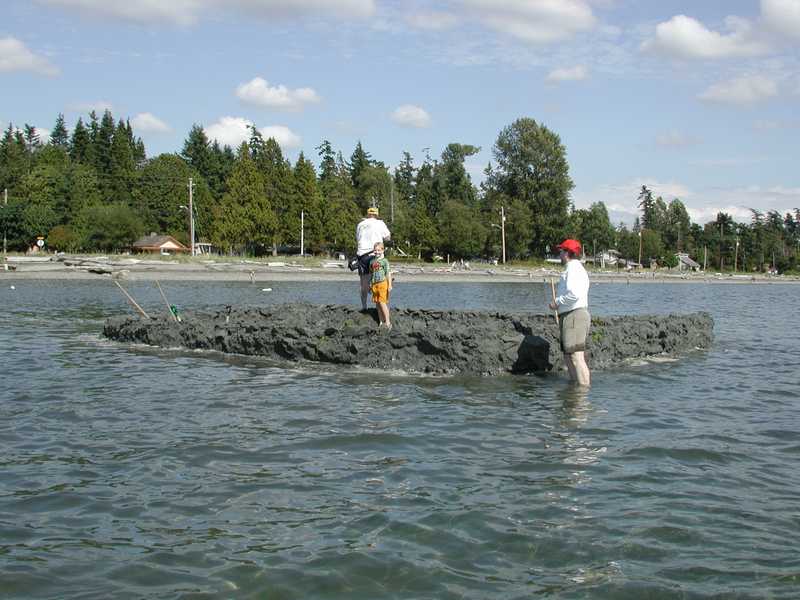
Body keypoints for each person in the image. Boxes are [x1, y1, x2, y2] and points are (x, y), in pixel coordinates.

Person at [548, 238, 591, 386]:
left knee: (576, 356)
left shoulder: (573, 269)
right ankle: (575, 390)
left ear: (567, 253)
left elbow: (574, 294)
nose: (559, 254)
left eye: (561, 251)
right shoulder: (574, 269)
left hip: (574, 315)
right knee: (568, 355)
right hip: (570, 315)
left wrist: (557, 302)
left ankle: (583, 393)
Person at [355, 207, 391, 310]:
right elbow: (388, 237)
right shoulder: (380, 223)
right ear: (377, 215)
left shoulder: (360, 224)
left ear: (368, 214)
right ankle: (380, 306)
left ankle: (364, 306)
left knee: (363, 284)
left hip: (362, 255)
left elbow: (358, 238)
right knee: (379, 280)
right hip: (375, 254)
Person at [369, 242, 392, 330]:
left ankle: (388, 322)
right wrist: (370, 285)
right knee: (378, 304)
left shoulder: (384, 261)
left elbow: (388, 274)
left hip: (382, 283)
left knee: (383, 303)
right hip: (374, 284)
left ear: (382, 250)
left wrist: (390, 285)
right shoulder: (372, 261)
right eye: (375, 250)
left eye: (379, 250)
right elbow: (371, 274)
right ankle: (381, 322)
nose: (377, 252)